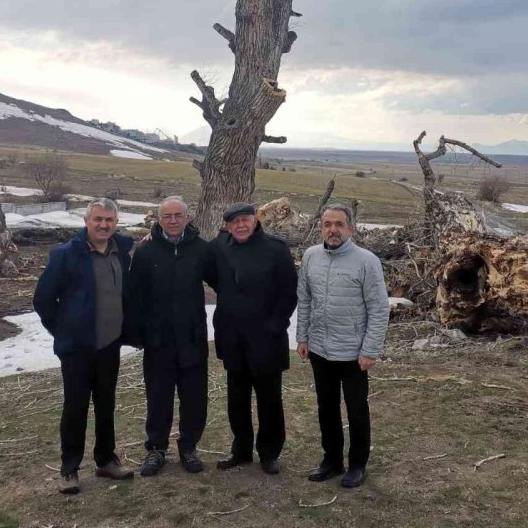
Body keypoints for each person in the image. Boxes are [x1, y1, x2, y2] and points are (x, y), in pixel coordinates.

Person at [33, 198, 135, 495]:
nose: (103, 225)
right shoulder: (65, 255)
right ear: (86, 221)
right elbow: (43, 300)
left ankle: (106, 460)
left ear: (116, 223)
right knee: (75, 408)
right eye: (98, 220)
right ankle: (69, 469)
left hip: (110, 346)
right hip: (76, 348)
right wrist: (63, 331)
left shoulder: (122, 252)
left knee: (106, 406)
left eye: (109, 220)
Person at [296, 203, 390, 489]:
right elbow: (305, 300)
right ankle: (332, 460)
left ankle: (358, 465)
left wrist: (370, 350)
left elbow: (378, 308)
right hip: (320, 350)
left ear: (350, 228)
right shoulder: (311, 256)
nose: (332, 230)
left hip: (353, 352)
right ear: (321, 227)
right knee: (326, 407)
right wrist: (302, 337)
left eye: (338, 224)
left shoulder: (366, 261)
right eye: (327, 224)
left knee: (356, 410)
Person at [125, 196, 215, 477]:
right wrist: (138, 333)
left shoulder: (201, 249)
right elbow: (134, 295)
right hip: (158, 339)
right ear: (159, 220)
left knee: (194, 396)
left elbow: (223, 280)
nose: (173, 220)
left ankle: (189, 447)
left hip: (192, 337)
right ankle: (156, 449)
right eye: (168, 216)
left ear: (188, 218)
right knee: (158, 395)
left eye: (178, 215)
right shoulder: (145, 251)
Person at [210, 202, 298, 475]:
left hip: (266, 338)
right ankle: (241, 450)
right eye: (233, 221)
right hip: (232, 337)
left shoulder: (276, 249)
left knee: (269, 398)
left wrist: (275, 325)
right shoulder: (219, 247)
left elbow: (289, 292)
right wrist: (154, 232)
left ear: (255, 220)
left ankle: (270, 453)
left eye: (245, 219)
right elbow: (196, 256)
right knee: (237, 398)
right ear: (226, 226)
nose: (240, 225)